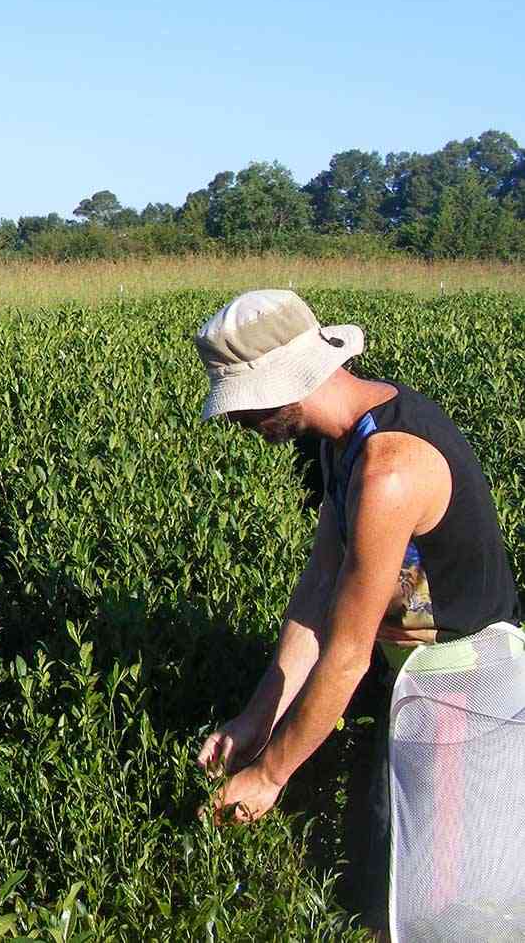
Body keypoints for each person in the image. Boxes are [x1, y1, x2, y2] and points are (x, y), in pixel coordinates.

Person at [190, 289, 518, 933]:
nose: (239, 421)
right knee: (382, 854)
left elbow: (344, 655)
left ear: (290, 384)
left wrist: (269, 777)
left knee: (442, 900)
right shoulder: (341, 442)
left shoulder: (389, 469)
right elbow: (320, 588)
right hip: (410, 677)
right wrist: (259, 719)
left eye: (246, 405)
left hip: (463, 691)